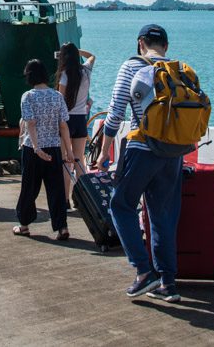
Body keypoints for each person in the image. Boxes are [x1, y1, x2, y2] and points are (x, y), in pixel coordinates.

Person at [95, 24, 183, 302]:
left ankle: (144, 273)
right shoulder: (179, 69)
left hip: (142, 146)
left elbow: (116, 112)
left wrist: (103, 152)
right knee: (162, 214)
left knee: (121, 205)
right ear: (166, 46)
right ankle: (168, 283)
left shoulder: (132, 66)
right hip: (173, 152)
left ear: (140, 43)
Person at [12, 59, 73, 240]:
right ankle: (62, 227)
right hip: (54, 148)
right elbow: (63, 126)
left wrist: (37, 147)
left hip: (33, 149)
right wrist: (69, 151)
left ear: (29, 76)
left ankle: (24, 225)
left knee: (29, 188)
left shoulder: (28, 96)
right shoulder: (57, 96)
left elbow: (30, 123)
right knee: (56, 189)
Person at [56, 43, 96, 206]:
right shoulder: (86, 71)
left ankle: (64, 199)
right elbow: (92, 56)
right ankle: (80, 199)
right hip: (81, 119)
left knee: (66, 161)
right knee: (79, 160)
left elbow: (60, 100)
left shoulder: (65, 74)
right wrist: (76, 51)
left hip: (66, 119)